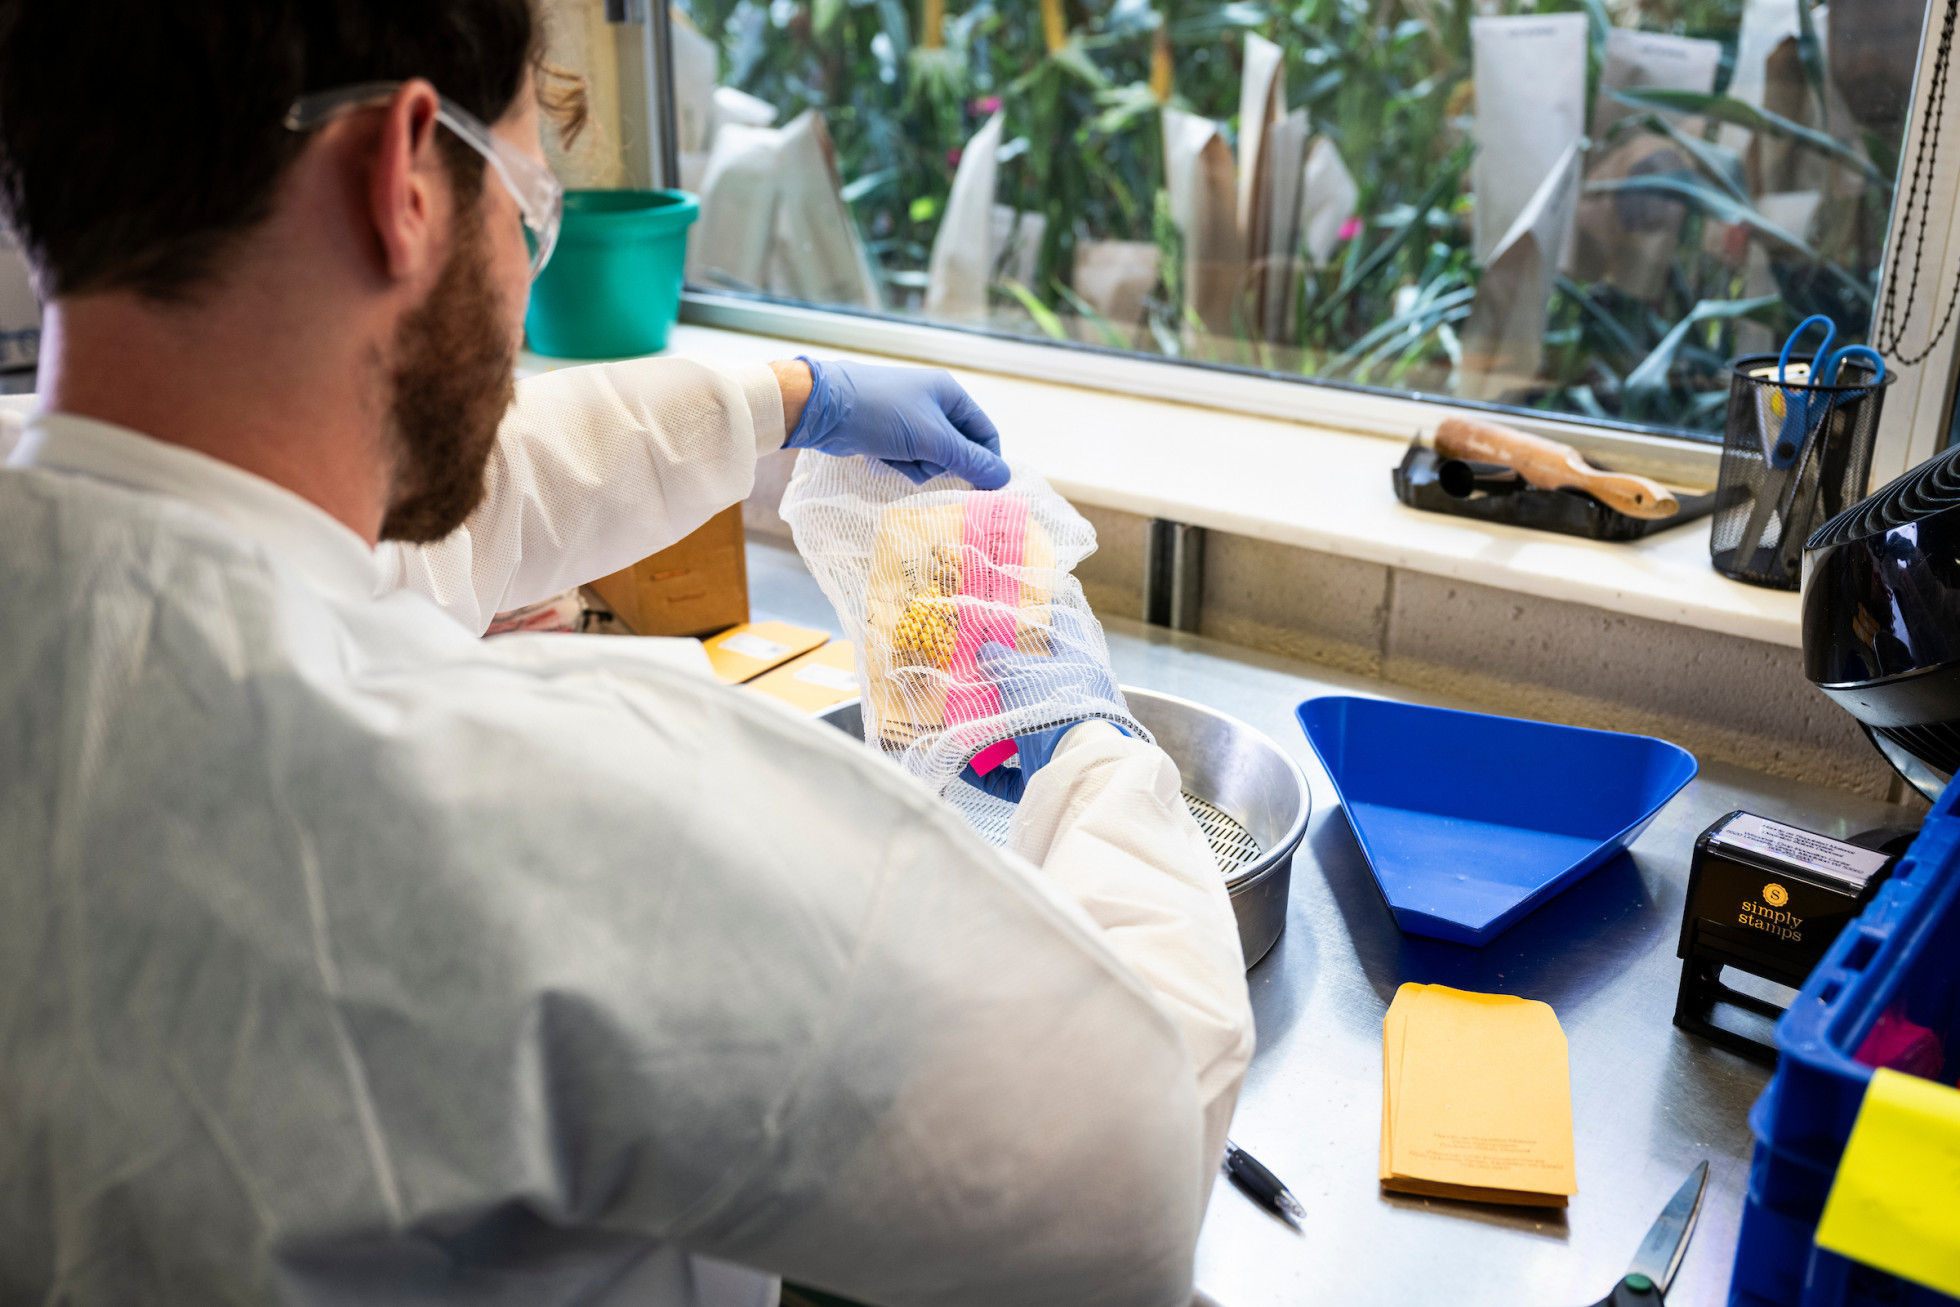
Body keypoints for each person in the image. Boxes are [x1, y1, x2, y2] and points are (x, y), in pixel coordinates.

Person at [0, 3, 1254, 1305]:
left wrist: (779, 403)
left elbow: (347, 520)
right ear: (405, 179)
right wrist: (1091, 751)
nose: (527, 267)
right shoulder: (553, 818)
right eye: (528, 205)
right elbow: (1134, 1170)